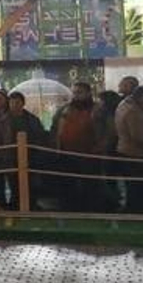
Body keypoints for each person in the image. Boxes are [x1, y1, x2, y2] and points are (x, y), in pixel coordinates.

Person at [51, 82, 107, 212]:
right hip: (66, 154)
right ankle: (69, 209)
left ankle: (92, 210)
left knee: (91, 185)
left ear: (88, 93)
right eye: (74, 92)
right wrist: (56, 147)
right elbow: (55, 129)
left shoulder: (99, 110)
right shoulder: (64, 109)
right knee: (68, 184)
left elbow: (109, 131)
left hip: (90, 155)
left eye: (79, 92)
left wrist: (101, 147)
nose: (76, 96)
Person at [0, 91, 49, 210]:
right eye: (12, 102)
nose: (14, 105)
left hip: (31, 158)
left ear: (23, 103)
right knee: (15, 187)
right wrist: (2, 157)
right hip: (11, 159)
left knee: (31, 186)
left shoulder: (33, 120)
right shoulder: (2, 122)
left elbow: (40, 136)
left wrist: (39, 154)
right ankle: (16, 208)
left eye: (17, 102)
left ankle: (31, 206)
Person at [114, 85, 143, 213]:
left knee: (132, 183)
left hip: (123, 149)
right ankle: (137, 208)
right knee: (138, 184)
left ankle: (133, 207)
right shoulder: (134, 111)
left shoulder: (123, 104)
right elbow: (137, 136)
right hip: (134, 152)